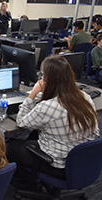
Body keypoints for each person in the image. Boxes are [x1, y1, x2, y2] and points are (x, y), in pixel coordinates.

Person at [7, 56, 99, 187]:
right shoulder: (85, 97)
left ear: (48, 79)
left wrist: (32, 94)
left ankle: (26, 181)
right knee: (34, 134)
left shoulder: (48, 107)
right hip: (83, 160)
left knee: (7, 146)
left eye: (43, 75)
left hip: (59, 165)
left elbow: (21, 122)